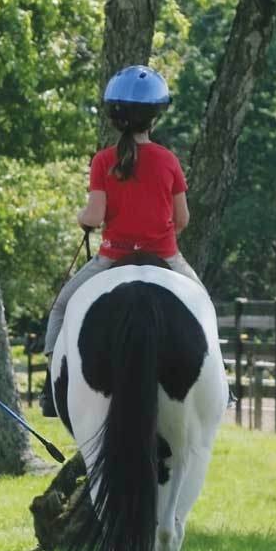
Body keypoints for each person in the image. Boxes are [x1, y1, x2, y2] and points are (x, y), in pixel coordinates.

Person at [40, 65, 204, 416]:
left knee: (61, 309)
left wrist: (82, 218)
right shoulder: (169, 161)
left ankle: (52, 389)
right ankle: (223, 382)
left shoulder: (103, 161)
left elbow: (95, 216)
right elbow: (184, 219)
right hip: (165, 256)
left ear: (115, 118)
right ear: (154, 118)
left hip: (112, 259)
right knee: (204, 308)